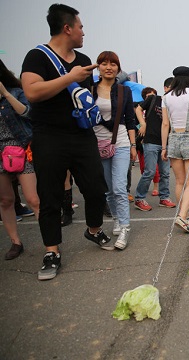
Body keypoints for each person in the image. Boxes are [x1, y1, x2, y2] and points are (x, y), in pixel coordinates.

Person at [21, 4, 114, 281]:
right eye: (81, 26)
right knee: (50, 196)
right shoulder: (37, 57)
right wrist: (69, 77)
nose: (84, 31)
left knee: (97, 188)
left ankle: (94, 230)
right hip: (49, 136)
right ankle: (52, 251)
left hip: (82, 135)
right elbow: (32, 92)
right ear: (67, 28)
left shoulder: (83, 57)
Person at [92, 51, 137, 250]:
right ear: (98, 67)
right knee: (108, 189)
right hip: (97, 144)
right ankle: (117, 219)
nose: (108, 67)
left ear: (118, 68)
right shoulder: (89, 90)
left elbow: (129, 120)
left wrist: (133, 145)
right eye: (104, 63)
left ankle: (125, 227)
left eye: (113, 64)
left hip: (120, 142)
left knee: (119, 187)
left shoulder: (123, 91)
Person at [0, 59, 39, 260]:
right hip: (0, 154)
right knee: (6, 200)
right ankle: (16, 242)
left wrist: (5, 94)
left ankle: (50, 242)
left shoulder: (16, 91)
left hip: (21, 149)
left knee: (33, 199)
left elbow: (29, 113)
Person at [161, 66, 189, 233]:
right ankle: (183, 216)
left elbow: (165, 124)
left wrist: (164, 147)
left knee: (179, 181)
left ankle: (182, 212)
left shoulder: (166, 97)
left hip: (173, 138)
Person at [134, 79, 176, 211]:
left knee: (165, 173)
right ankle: (139, 198)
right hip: (151, 141)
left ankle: (164, 197)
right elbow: (138, 109)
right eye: (171, 88)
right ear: (165, 88)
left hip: (166, 142)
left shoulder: (173, 104)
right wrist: (143, 123)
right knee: (150, 171)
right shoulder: (154, 99)